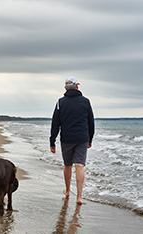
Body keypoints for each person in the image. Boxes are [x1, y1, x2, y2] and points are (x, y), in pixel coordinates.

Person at [50, 76, 94, 204]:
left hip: (67, 138)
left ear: (65, 88)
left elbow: (55, 123)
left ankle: (68, 190)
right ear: (77, 86)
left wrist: (52, 141)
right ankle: (79, 197)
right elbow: (91, 122)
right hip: (82, 138)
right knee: (80, 165)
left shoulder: (60, 102)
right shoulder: (86, 101)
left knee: (67, 165)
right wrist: (90, 138)